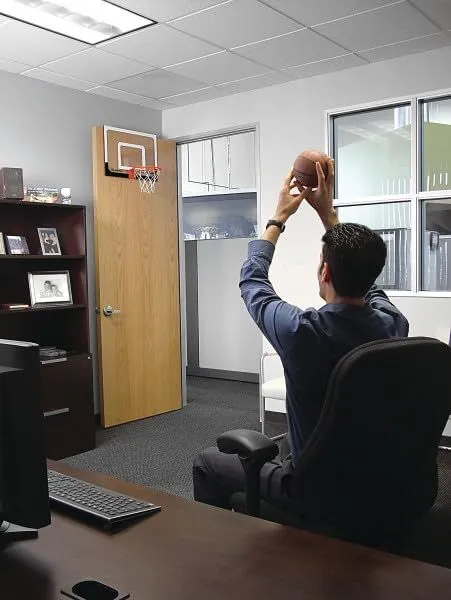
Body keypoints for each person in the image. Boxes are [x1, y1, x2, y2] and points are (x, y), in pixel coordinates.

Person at [193, 157, 409, 510]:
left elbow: (252, 280)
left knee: (207, 462)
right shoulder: (393, 323)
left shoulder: (301, 332)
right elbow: (367, 283)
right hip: (383, 485)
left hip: (315, 491)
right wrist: (328, 214)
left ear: (325, 272)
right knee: (288, 445)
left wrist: (278, 218)